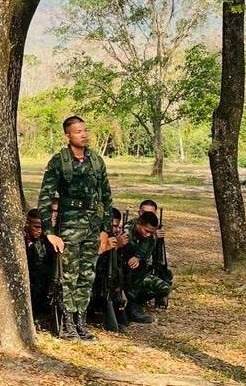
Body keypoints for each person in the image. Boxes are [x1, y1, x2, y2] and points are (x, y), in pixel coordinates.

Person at [37, 115, 114, 340]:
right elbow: (45, 197)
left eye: (85, 130)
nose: (84, 134)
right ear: (68, 135)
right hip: (69, 227)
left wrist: (104, 229)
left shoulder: (97, 161)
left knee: (87, 276)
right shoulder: (59, 161)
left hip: (92, 227)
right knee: (68, 276)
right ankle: (67, 322)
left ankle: (81, 321)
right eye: (78, 131)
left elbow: (106, 198)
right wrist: (49, 232)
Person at [118, 211, 173, 323]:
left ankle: (136, 303)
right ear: (139, 223)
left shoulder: (151, 235)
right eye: (146, 230)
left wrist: (138, 258)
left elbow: (145, 253)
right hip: (122, 272)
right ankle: (129, 307)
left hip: (138, 273)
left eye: (151, 232)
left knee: (164, 288)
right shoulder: (126, 230)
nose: (148, 234)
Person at [24, 209, 55, 319]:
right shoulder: (19, 239)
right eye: (36, 227)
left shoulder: (46, 241)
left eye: (42, 227)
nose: (39, 231)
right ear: (27, 224)